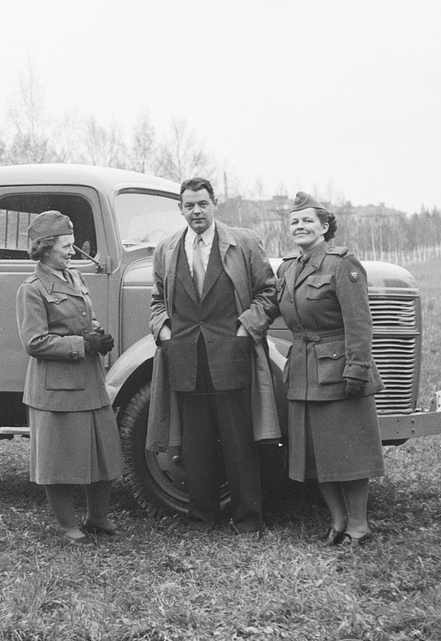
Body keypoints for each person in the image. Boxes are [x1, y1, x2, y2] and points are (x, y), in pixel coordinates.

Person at [148, 177, 278, 535]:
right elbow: (157, 301)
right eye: (189, 206)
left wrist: (243, 329)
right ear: (180, 209)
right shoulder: (168, 249)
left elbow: (269, 294)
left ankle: (248, 520)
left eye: (202, 204)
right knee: (195, 444)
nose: (196, 212)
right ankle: (201, 518)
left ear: (214, 203)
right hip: (186, 358)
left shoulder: (244, 242)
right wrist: (165, 332)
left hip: (232, 354)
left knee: (239, 441)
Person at [275, 192, 384, 545]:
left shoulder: (342, 264)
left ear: (324, 227)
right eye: (294, 221)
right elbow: (273, 307)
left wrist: (357, 368)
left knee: (347, 454)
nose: (300, 226)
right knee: (316, 455)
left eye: (308, 220)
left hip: (338, 371)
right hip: (303, 372)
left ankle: (359, 525)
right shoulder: (288, 267)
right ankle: (338, 521)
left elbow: (359, 322)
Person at [16, 210, 123, 545]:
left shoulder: (74, 277)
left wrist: (98, 337)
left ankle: (97, 518)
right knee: (59, 460)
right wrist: (82, 344)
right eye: (66, 245)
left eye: (72, 244)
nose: (72, 251)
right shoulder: (31, 289)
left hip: (89, 380)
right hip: (56, 387)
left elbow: (83, 320)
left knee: (103, 451)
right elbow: (34, 342)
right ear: (46, 247)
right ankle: (66, 526)